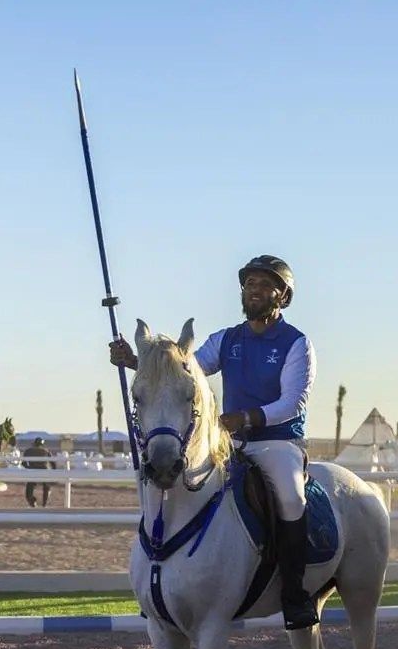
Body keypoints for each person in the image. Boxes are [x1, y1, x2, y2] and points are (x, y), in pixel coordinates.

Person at [110, 254, 319, 627]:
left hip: (278, 443)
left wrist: (249, 417)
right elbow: (183, 372)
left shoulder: (297, 343)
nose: (254, 290)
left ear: (283, 296)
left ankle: (295, 593)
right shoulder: (226, 339)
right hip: (230, 444)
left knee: (290, 495)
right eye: (249, 284)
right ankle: (159, 587)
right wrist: (135, 361)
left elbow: (293, 403)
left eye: (265, 285)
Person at [22, 436, 56, 507]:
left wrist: (29, 467)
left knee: (30, 487)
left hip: (33, 472)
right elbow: (53, 463)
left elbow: (23, 463)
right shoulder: (46, 451)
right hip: (44, 471)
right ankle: (44, 504)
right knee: (46, 487)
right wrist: (54, 471)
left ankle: (32, 502)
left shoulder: (28, 451)